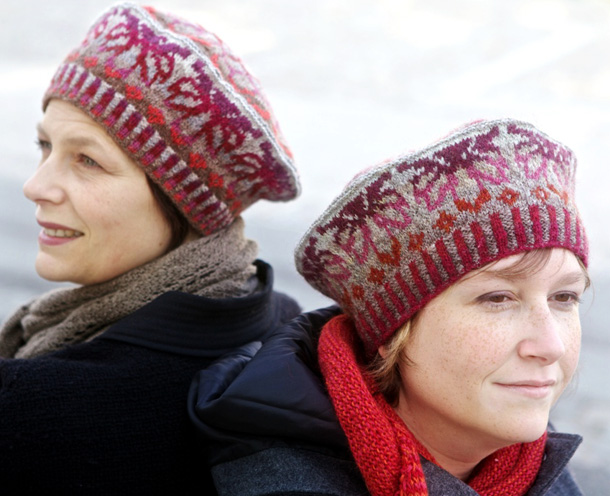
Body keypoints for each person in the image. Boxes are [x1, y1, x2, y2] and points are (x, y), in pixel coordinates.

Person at [190, 118, 589, 495]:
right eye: (497, 299)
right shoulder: (287, 481)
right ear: (390, 334)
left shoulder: (526, 457)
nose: (550, 345)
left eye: (564, 297)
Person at [0, 4, 301, 494]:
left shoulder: (34, 412)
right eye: (44, 146)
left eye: (87, 161)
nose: (37, 186)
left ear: (183, 202)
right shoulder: (279, 321)